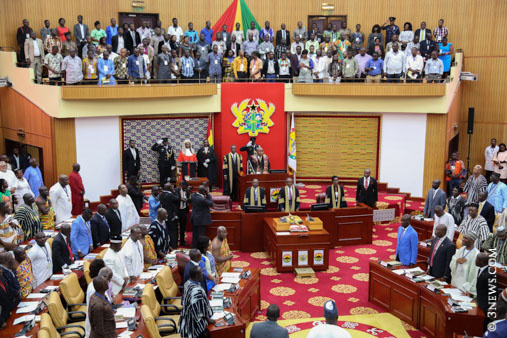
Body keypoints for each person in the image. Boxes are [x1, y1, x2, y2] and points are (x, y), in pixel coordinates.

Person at [179, 265, 215, 337]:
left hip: (186, 317)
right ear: (197, 275)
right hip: (194, 326)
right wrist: (209, 320)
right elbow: (199, 312)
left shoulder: (188, 283)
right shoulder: (196, 291)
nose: (202, 274)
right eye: (201, 273)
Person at [0, 252, 21, 328]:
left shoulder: (2, 278)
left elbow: (8, 291)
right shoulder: (3, 274)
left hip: (8, 311)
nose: (1, 271)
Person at [159, 183, 179, 249]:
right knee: (173, 231)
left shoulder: (161, 194)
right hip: (171, 216)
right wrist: (173, 191)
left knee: (167, 231)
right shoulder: (170, 195)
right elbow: (178, 198)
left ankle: (168, 245)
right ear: (170, 188)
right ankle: (173, 246)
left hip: (164, 215)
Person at [175, 181, 191, 246]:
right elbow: (175, 199)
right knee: (176, 226)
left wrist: (188, 200)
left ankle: (182, 241)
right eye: (185, 187)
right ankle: (175, 241)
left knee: (183, 226)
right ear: (181, 185)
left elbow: (188, 199)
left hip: (184, 210)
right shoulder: (176, 190)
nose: (186, 188)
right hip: (177, 210)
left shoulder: (187, 191)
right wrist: (181, 199)